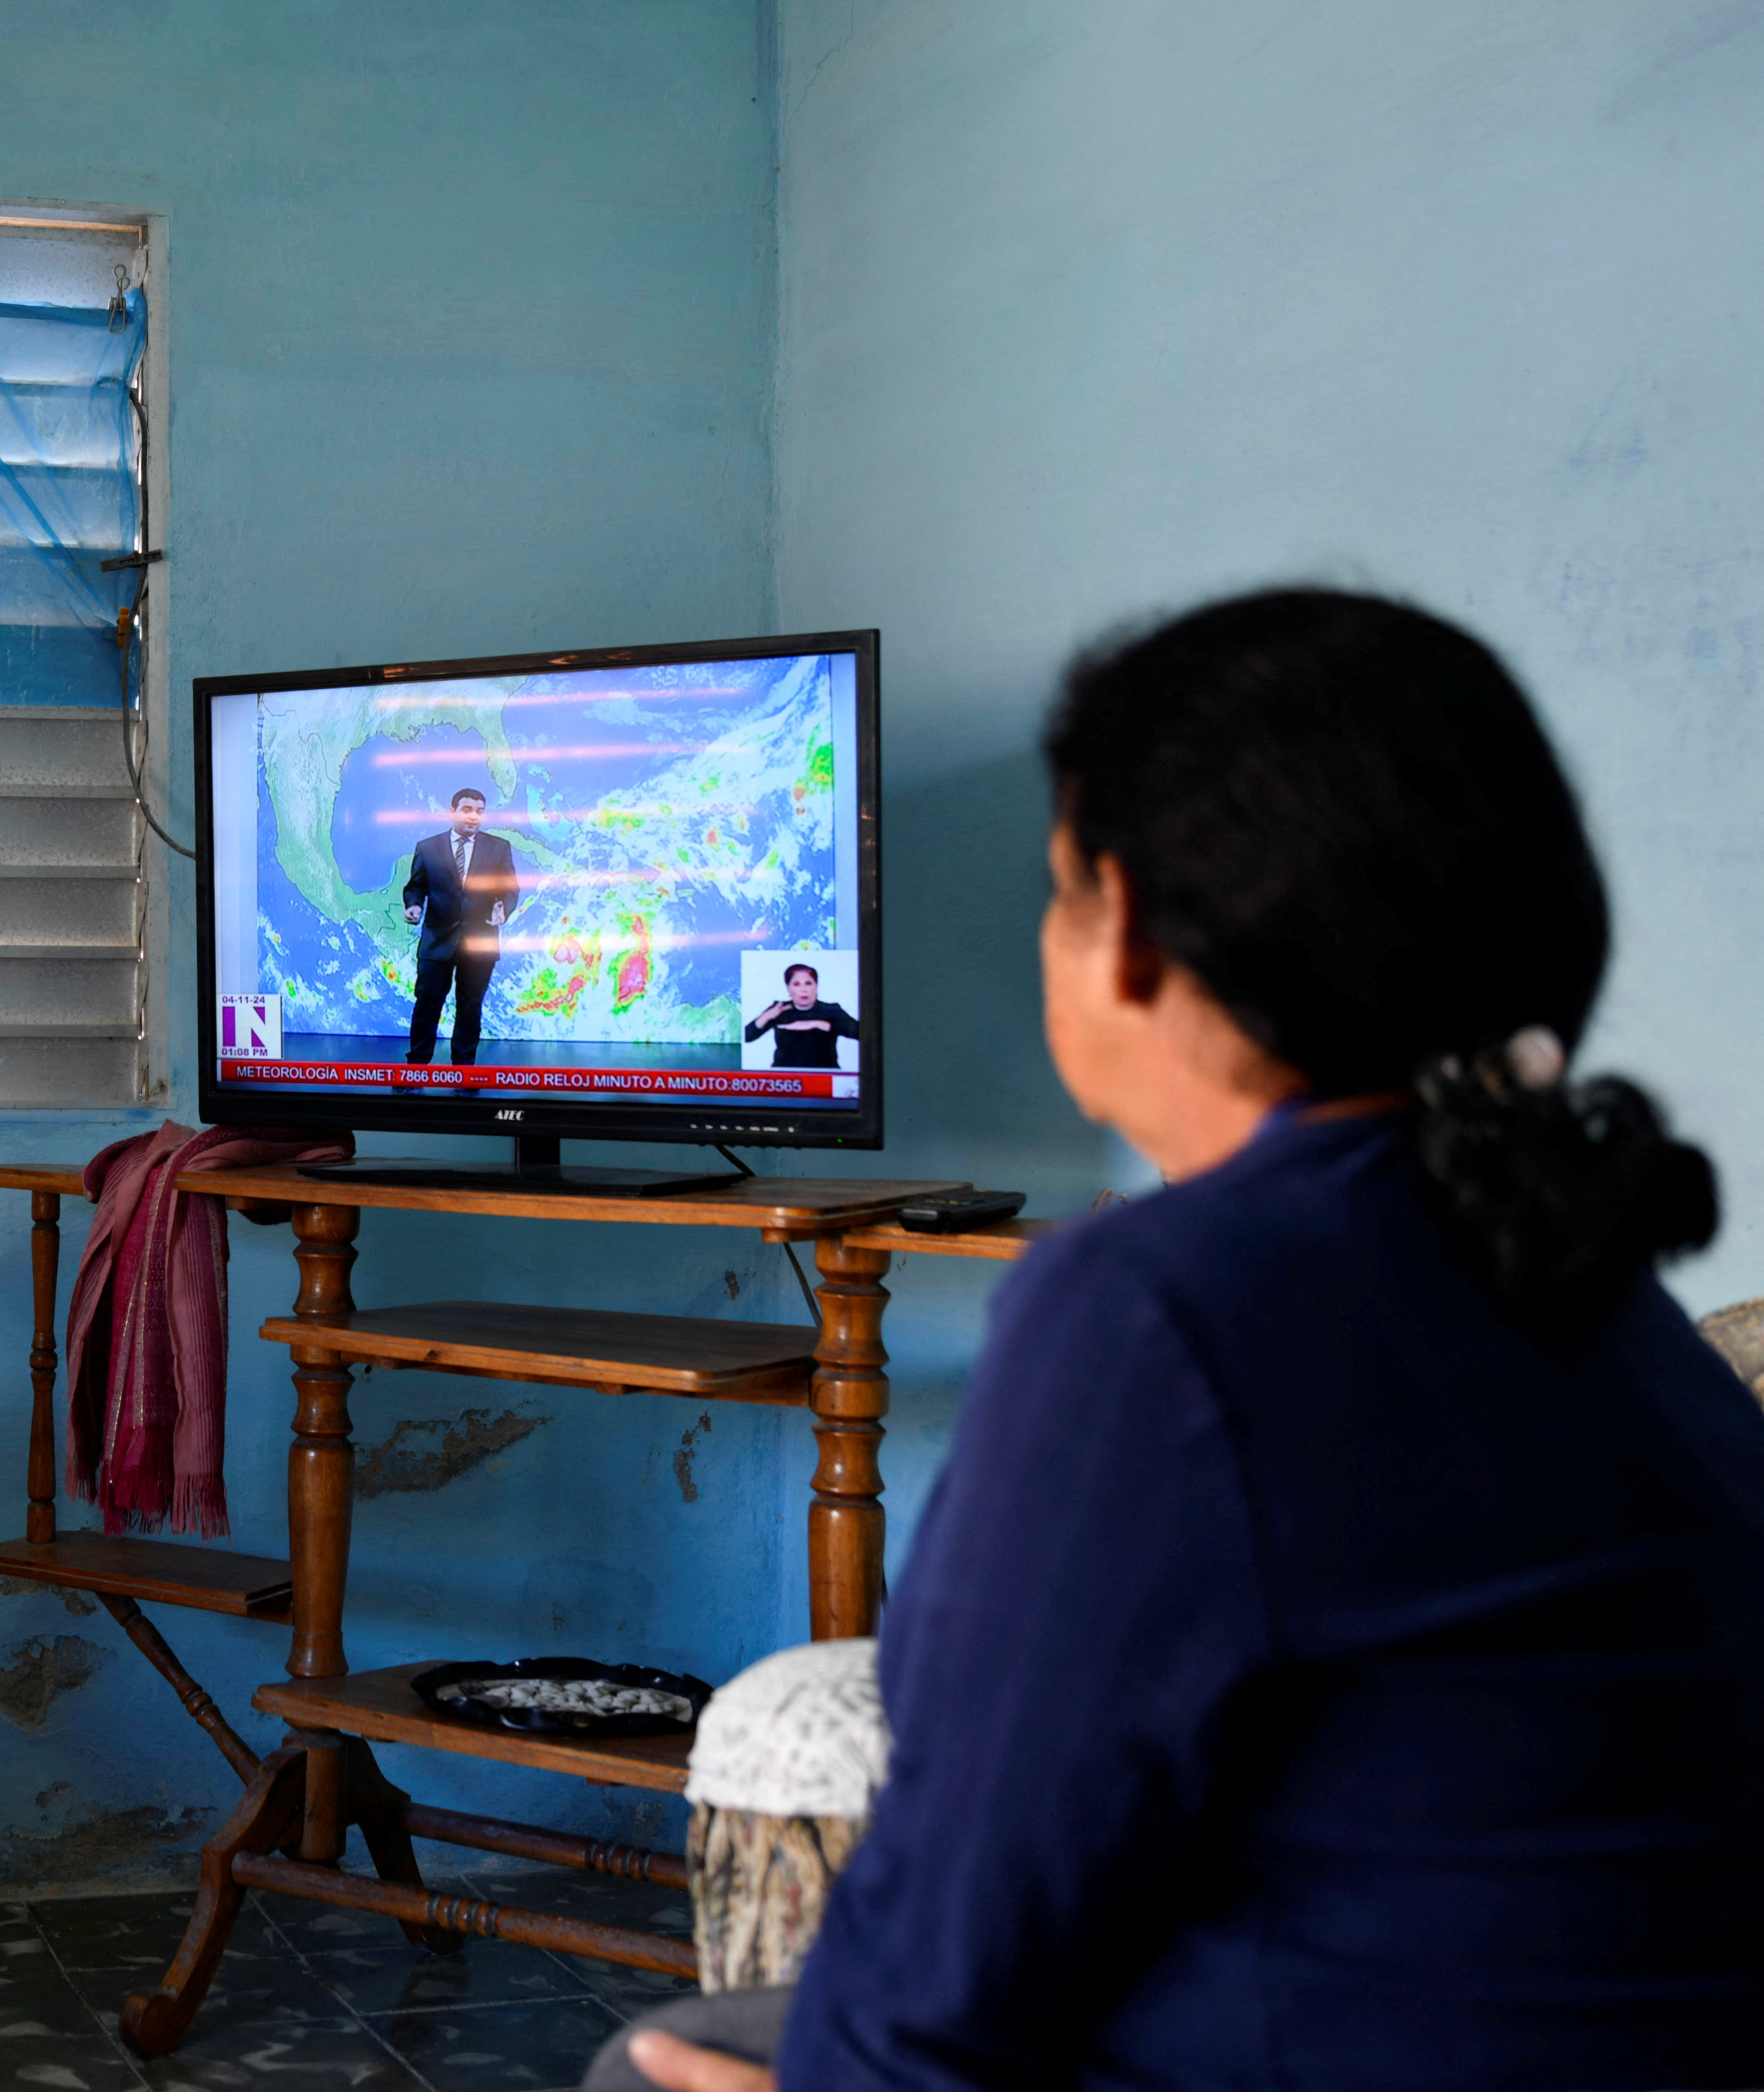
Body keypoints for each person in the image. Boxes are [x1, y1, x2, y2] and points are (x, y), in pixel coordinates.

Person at [590, 590, 1764, 2092]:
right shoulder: (1584, 1278)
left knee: (654, 2061)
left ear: (1125, 927)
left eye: (1055, 882)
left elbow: (944, 1951)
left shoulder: (1158, 1305)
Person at [401, 786, 520, 1065]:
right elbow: (416, 886)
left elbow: (510, 889)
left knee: (469, 1008)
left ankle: (464, 1072)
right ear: (452, 812)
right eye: (467, 810)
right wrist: (414, 905)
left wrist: (504, 906)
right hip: (437, 941)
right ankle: (417, 1066)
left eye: (480, 812)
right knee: (427, 1005)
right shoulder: (428, 848)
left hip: (481, 941)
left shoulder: (498, 848)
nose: (474, 817)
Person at [741, 963, 860, 1070]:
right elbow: (746, 1037)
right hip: (785, 1079)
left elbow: (860, 1033)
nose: (804, 990)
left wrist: (822, 1025)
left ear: (816, 987)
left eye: (808, 984)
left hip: (824, 1077)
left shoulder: (831, 1010)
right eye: (797, 984)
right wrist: (767, 1016)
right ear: (789, 989)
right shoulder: (780, 1009)